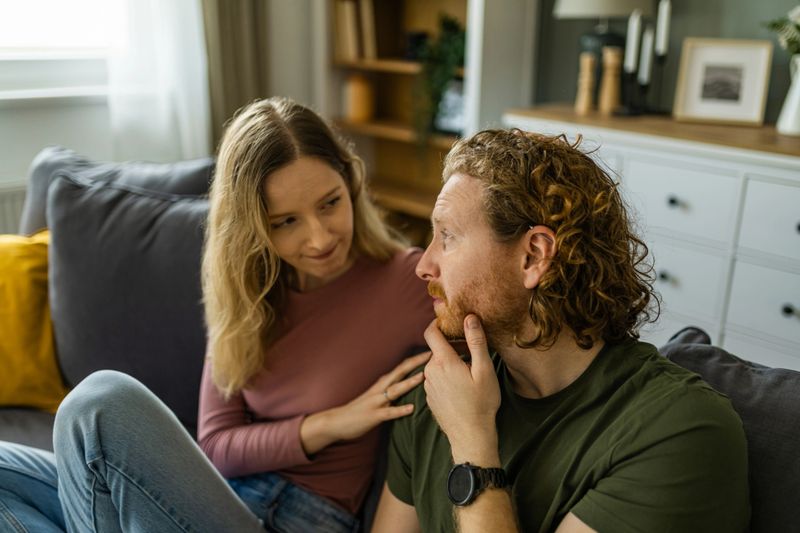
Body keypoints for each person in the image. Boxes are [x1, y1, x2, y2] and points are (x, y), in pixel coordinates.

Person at [0, 97, 434, 533]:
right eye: (286, 222)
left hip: (300, 520)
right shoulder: (247, 294)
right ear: (254, 226)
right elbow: (218, 446)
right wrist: (332, 423)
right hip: (214, 500)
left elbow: (493, 345)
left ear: (351, 180)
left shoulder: (406, 282)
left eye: (329, 203)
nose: (319, 238)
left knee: (99, 402)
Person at [371, 129, 750, 533]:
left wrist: (472, 443)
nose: (424, 266)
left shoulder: (676, 431)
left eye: (447, 237)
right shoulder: (437, 392)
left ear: (533, 256)